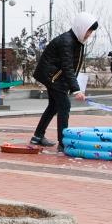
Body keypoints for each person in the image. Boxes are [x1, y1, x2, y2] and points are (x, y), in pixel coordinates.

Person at [31, 12, 97, 150]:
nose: (89, 34)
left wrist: (74, 86)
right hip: (53, 77)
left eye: (90, 32)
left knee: (54, 106)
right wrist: (76, 89)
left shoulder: (76, 41)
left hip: (55, 76)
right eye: (88, 31)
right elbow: (67, 67)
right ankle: (63, 143)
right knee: (64, 106)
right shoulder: (67, 41)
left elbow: (72, 67)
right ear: (81, 27)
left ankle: (37, 136)